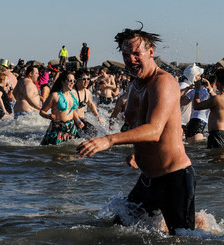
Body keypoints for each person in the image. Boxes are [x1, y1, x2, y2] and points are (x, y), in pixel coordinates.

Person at [77, 25, 195, 235]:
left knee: (185, 238)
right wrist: (138, 153)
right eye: (125, 54)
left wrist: (109, 140)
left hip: (174, 178)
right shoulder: (134, 86)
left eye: (135, 54)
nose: (130, 59)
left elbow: (155, 129)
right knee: (117, 231)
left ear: (151, 52)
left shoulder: (163, 82)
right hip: (147, 180)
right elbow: (140, 128)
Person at [193, 68, 224, 148]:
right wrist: (210, 89)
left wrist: (197, 90)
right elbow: (219, 102)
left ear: (220, 83)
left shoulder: (217, 99)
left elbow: (196, 106)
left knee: (214, 159)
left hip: (216, 135)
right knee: (223, 158)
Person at [40, 71, 84, 145]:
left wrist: (77, 120)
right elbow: (42, 111)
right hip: (58, 129)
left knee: (73, 153)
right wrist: (48, 116)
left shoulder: (74, 95)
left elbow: (73, 111)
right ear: (63, 82)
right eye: (70, 81)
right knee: (58, 154)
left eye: (74, 81)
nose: (72, 83)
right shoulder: (55, 96)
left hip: (71, 128)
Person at [180, 64, 211, 144]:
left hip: (186, 123)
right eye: (198, 76)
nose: (200, 78)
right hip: (182, 122)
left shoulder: (189, 87)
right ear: (192, 76)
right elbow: (179, 101)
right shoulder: (185, 86)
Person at [74, 69, 103, 138]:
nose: (86, 81)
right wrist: (77, 120)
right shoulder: (72, 92)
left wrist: (98, 117)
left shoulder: (87, 92)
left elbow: (91, 105)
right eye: (84, 79)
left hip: (82, 120)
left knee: (94, 132)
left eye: (88, 79)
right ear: (77, 80)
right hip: (72, 120)